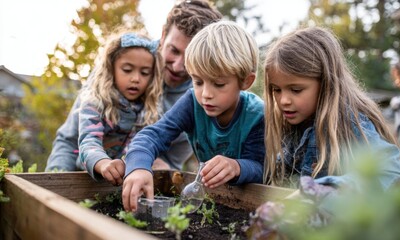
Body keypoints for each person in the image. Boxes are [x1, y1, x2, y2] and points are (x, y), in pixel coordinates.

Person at [45, 0, 223, 172]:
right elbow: (69, 139)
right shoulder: (119, 67)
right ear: (163, 35)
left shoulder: (201, 101)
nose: (178, 66)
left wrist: (158, 166)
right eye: (174, 50)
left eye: (190, 56)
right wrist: (55, 184)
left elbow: (172, 163)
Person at [122, 20, 265, 212]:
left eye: (219, 84)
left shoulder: (256, 115)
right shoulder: (193, 102)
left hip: (254, 203)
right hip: (215, 197)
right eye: (197, 81)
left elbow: (260, 167)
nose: (206, 93)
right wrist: (138, 166)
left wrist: (237, 166)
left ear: (245, 81)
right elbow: (153, 135)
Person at [262, 26, 400, 191]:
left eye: (296, 90)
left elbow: (391, 170)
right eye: (276, 90)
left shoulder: (348, 122)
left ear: (326, 83)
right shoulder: (294, 123)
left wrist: (334, 188)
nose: (283, 100)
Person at [77, 28, 161, 186]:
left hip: (123, 181)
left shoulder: (150, 111)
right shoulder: (95, 102)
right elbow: (88, 141)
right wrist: (102, 163)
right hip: (87, 178)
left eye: (144, 73)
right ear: (111, 69)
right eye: (127, 70)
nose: (136, 78)